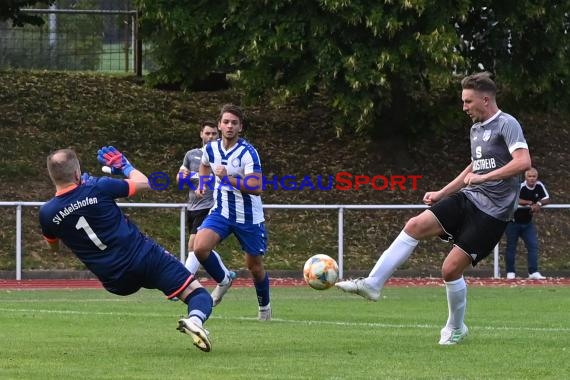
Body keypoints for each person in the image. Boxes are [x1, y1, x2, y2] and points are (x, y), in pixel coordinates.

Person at [335, 72, 531, 345]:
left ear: (485, 100)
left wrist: (486, 178)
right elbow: (474, 166)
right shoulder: (476, 129)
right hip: (469, 197)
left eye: (467, 101)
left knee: (450, 270)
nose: (464, 107)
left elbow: (523, 162)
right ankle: (373, 284)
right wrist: (442, 192)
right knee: (414, 225)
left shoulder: (507, 124)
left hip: (493, 213)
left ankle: (456, 327)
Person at [39, 147, 214, 352]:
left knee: (147, 277)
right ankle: (195, 320)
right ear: (77, 172)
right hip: (143, 258)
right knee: (197, 294)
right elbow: (144, 182)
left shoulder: (47, 213)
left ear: (52, 177)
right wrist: (124, 166)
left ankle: (179, 300)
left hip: (115, 279)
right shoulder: (98, 187)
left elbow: (53, 247)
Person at [192, 103, 271, 320]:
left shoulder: (248, 152)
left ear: (240, 128)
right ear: (219, 125)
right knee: (200, 247)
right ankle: (224, 278)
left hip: (248, 217)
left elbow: (256, 187)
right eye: (225, 122)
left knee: (254, 267)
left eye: (234, 123)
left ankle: (264, 308)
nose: (229, 126)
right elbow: (205, 166)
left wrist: (227, 177)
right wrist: (203, 183)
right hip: (222, 212)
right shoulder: (211, 148)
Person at [176, 121, 235, 280]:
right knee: (197, 249)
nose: (210, 136)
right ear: (201, 134)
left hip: (211, 206)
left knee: (194, 245)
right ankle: (225, 274)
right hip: (193, 206)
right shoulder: (191, 155)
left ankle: (182, 283)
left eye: (214, 134)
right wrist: (185, 179)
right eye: (207, 133)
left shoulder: (222, 156)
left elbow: (230, 179)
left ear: (218, 135)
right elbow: (180, 179)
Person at [504, 167, 550, 280]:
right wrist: (529, 203)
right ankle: (510, 272)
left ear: (537, 177)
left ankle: (533, 272)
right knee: (511, 247)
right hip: (512, 222)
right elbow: (514, 198)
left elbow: (547, 198)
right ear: (525, 177)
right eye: (529, 176)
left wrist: (538, 203)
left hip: (527, 223)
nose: (532, 179)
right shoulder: (521, 186)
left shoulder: (539, 185)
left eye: (534, 176)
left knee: (533, 246)